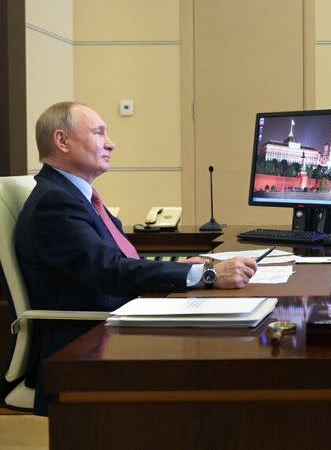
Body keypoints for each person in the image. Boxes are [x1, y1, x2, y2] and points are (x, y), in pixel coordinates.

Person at [15, 102, 258, 415]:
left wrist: (182, 268)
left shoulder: (75, 196)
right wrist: (208, 276)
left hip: (114, 323)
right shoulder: (55, 204)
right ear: (62, 141)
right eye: (99, 132)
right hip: (84, 345)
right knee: (220, 356)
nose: (111, 143)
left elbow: (114, 260)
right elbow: (110, 270)